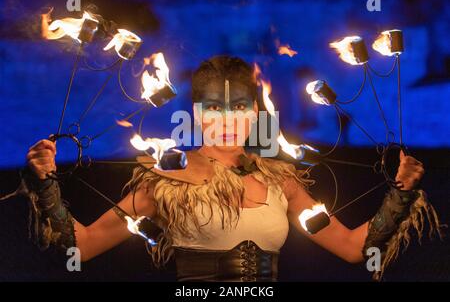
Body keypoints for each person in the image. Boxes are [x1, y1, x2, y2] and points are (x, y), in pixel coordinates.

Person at [17, 56, 441, 281]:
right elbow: (84, 246)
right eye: (214, 109)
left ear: (256, 112)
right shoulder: (166, 180)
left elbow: (351, 248)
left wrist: (401, 192)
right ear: (198, 115)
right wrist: (45, 183)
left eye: (239, 107)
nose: (227, 121)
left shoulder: (282, 180)